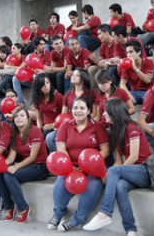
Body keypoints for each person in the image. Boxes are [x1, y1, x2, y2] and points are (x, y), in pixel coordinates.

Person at [83, 98, 151, 235]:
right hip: (131, 173)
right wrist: (109, 174)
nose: (103, 115)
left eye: (106, 112)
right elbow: (118, 161)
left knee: (114, 171)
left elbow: (134, 156)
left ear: (115, 113)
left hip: (145, 171)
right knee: (120, 186)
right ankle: (131, 229)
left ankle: (105, 213)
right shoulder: (113, 132)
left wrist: (116, 171)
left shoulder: (132, 127)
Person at [48, 96, 109, 232]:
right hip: (71, 167)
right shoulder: (65, 125)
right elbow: (61, 148)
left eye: (82, 108)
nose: (78, 111)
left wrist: (89, 165)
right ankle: (58, 213)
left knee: (93, 185)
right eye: (75, 108)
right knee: (60, 182)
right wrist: (71, 166)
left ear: (88, 111)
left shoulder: (97, 126)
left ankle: (78, 219)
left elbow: (105, 150)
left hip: (92, 167)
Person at [0, 106, 49, 223]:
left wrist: (15, 167)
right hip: (25, 166)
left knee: (9, 175)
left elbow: (33, 157)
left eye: (22, 116)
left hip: (40, 166)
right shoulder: (14, 135)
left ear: (28, 118)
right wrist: (2, 165)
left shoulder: (35, 130)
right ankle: (9, 207)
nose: (19, 118)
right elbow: (11, 158)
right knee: (0, 172)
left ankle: (23, 207)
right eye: (16, 116)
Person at [120, 40, 154, 104]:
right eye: (127, 53)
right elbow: (122, 84)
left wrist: (135, 68)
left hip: (148, 91)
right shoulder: (126, 65)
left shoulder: (149, 62)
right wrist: (129, 96)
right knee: (120, 101)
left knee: (150, 100)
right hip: (134, 92)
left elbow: (148, 80)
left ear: (139, 52)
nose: (128, 55)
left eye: (131, 52)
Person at [31, 73, 63, 138]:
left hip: (57, 126)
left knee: (46, 135)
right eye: (43, 85)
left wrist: (52, 125)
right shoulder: (37, 98)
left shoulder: (58, 96)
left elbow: (64, 117)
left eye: (47, 83)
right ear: (38, 87)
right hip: (45, 126)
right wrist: (39, 128)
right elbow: (39, 117)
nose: (46, 86)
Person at [87, 24, 115, 91]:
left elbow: (117, 59)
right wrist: (96, 60)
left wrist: (106, 62)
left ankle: (110, 90)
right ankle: (97, 92)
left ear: (106, 33)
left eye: (99, 34)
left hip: (114, 66)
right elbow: (100, 62)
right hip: (105, 65)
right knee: (91, 69)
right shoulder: (103, 45)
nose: (98, 37)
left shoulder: (116, 42)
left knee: (107, 67)